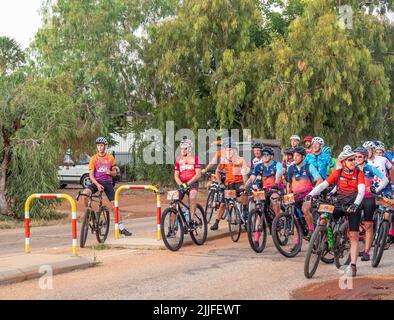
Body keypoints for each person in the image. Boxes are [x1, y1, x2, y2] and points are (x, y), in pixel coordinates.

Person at [306, 148, 366, 277]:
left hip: (353, 204)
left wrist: (356, 204)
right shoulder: (338, 173)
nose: (353, 162)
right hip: (339, 202)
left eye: (354, 159)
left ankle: (353, 265)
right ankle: (322, 238)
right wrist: (310, 194)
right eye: (350, 160)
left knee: (354, 236)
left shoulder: (358, 173)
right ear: (343, 162)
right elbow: (323, 185)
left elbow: (361, 191)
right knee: (323, 217)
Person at [81, 137, 132, 236]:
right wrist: (97, 185)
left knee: (114, 205)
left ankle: (121, 227)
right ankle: (89, 213)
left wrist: (111, 172)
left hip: (108, 183)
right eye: (98, 145)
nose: (100, 147)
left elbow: (115, 172)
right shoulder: (94, 158)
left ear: (105, 146)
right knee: (85, 194)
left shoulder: (110, 158)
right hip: (97, 182)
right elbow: (91, 175)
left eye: (101, 145)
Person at [354, 146, 389, 261]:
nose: (357, 158)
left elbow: (385, 180)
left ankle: (366, 252)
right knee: (353, 224)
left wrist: (376, 189)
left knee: (368, 225)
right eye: (355, 156)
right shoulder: (352, 168)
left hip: (368, 199)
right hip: (356, 198)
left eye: (359, 156)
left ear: (364, 157)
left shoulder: (370, 168)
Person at [210, 138, 248, 230]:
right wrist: (220, 183)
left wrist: (245, 186)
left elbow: (244, 175)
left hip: (239, 183)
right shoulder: (224, 160)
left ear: (235, 150)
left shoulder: (241, 160)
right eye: (227, 150)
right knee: (223, 203)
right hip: (229, 184)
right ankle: (216, 223)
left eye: (230, 149)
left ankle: (246, 217)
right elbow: (217, 171)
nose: (228, 151)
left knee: (244, 197)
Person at [286, 147, 323, 241]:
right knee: (295, 218)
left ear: (303, 157)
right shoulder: (290, 168)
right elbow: (288, 184)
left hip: (308, 195)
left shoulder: (309, 166)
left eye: (297, 156)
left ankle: (311, 229)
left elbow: (319, 180)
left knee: (305, 209)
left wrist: (313, 193)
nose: (295, 158)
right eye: (294, 155)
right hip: (295, 196)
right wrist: (288, 196)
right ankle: (296, 244)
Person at [245, 146, 283, 215]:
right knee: (259, 206)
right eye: (263, 155)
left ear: (271, 156)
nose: (264, 156)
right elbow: (252, 178)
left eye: (266, 155)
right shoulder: (258, 166)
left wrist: (276, 184)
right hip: (265, 189)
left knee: (274, 199)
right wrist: (246, 187)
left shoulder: (277, 164)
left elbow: (279, 175)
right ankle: (258, 225)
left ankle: (279, 218)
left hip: (276, 188)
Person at [174, 137, 201, 228]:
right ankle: (172, 228)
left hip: (192, 183)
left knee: (192, 196)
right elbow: (176, 175)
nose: (182, 150)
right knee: (174, 203)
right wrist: (181, 184)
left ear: (189, 149)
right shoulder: (178, 159)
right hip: (182, 183)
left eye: (185, 148)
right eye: (181, 148)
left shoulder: (195, 159)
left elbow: (198, 175)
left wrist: (187, 184)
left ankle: (192, 220)